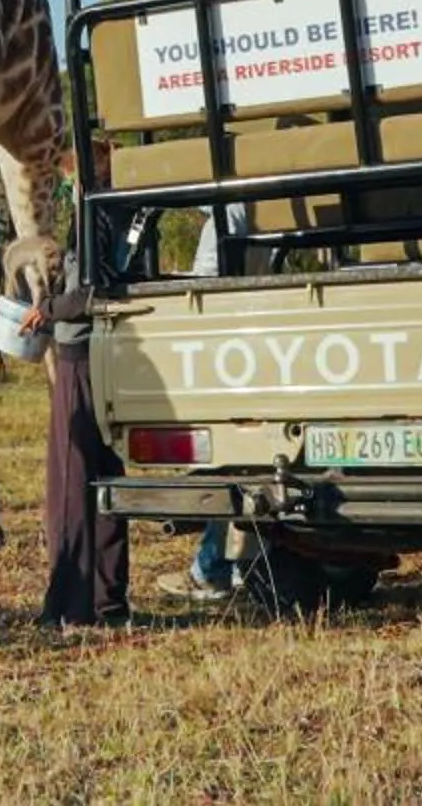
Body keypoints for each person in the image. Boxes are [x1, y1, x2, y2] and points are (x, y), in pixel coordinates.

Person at [22, 244, 129, 629]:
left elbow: (88, 295)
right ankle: (107, 601)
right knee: (106, 479)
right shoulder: (119, 213)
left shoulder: (92, 217)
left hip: (79, 360)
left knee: (69, 484)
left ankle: (68, 605)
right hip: (109, 355)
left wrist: (46, 310)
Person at [158, 203, 252, 604]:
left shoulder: (229, 212)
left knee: (226, 460)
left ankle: (213, 569)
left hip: (225, 338)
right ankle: (234, 565)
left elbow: (210, 279)